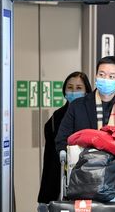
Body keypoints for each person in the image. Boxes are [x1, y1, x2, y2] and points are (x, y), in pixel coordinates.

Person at [55, 56, 115, 154]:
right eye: (101, 74)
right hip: (84, 166)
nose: (106, 79)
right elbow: (62, 139)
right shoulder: (77, 106)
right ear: (96, 76)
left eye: (111, 77)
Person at [37, 71, 92, 211]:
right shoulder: (56, 118)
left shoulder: (94, 115)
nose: (73, 91)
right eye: (70, 87)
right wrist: (44, 197)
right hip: (60, 179)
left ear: (87, 91)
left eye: (79, 88)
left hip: (88, 179)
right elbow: (49, 160)